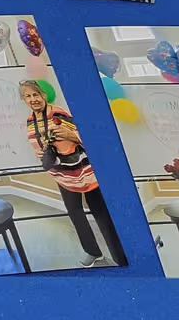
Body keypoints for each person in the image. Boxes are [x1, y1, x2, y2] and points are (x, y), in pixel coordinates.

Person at [21, 81, 124, 267]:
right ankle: (93, 252)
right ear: (24, 100)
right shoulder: (29, 121)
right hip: (62, 175)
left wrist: (72, 136)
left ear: (43, 95)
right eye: (28, 96)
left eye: (35, 94)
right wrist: (39, 153)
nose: (33, 99)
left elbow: (87, 136)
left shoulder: (58, 113)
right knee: (75, 214)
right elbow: (38, 144)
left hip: (85, 171)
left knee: (101, 212)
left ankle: (119, 255)